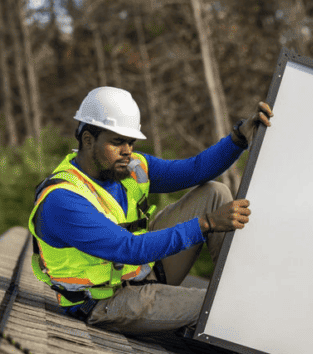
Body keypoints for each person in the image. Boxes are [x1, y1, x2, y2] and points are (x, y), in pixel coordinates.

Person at [29, 86, 272, 335]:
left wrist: (238, 138)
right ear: (88, 139)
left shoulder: (130, 168)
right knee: (218, 305)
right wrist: (206, 223)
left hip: (145, 272)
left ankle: (249, 293)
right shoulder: (63, 199)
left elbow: (195, 170)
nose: (127, 151)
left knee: (215, 193)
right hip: (106, 301)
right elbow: (129, 249)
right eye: (117, 142)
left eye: (131, 142)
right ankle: (246, 313)